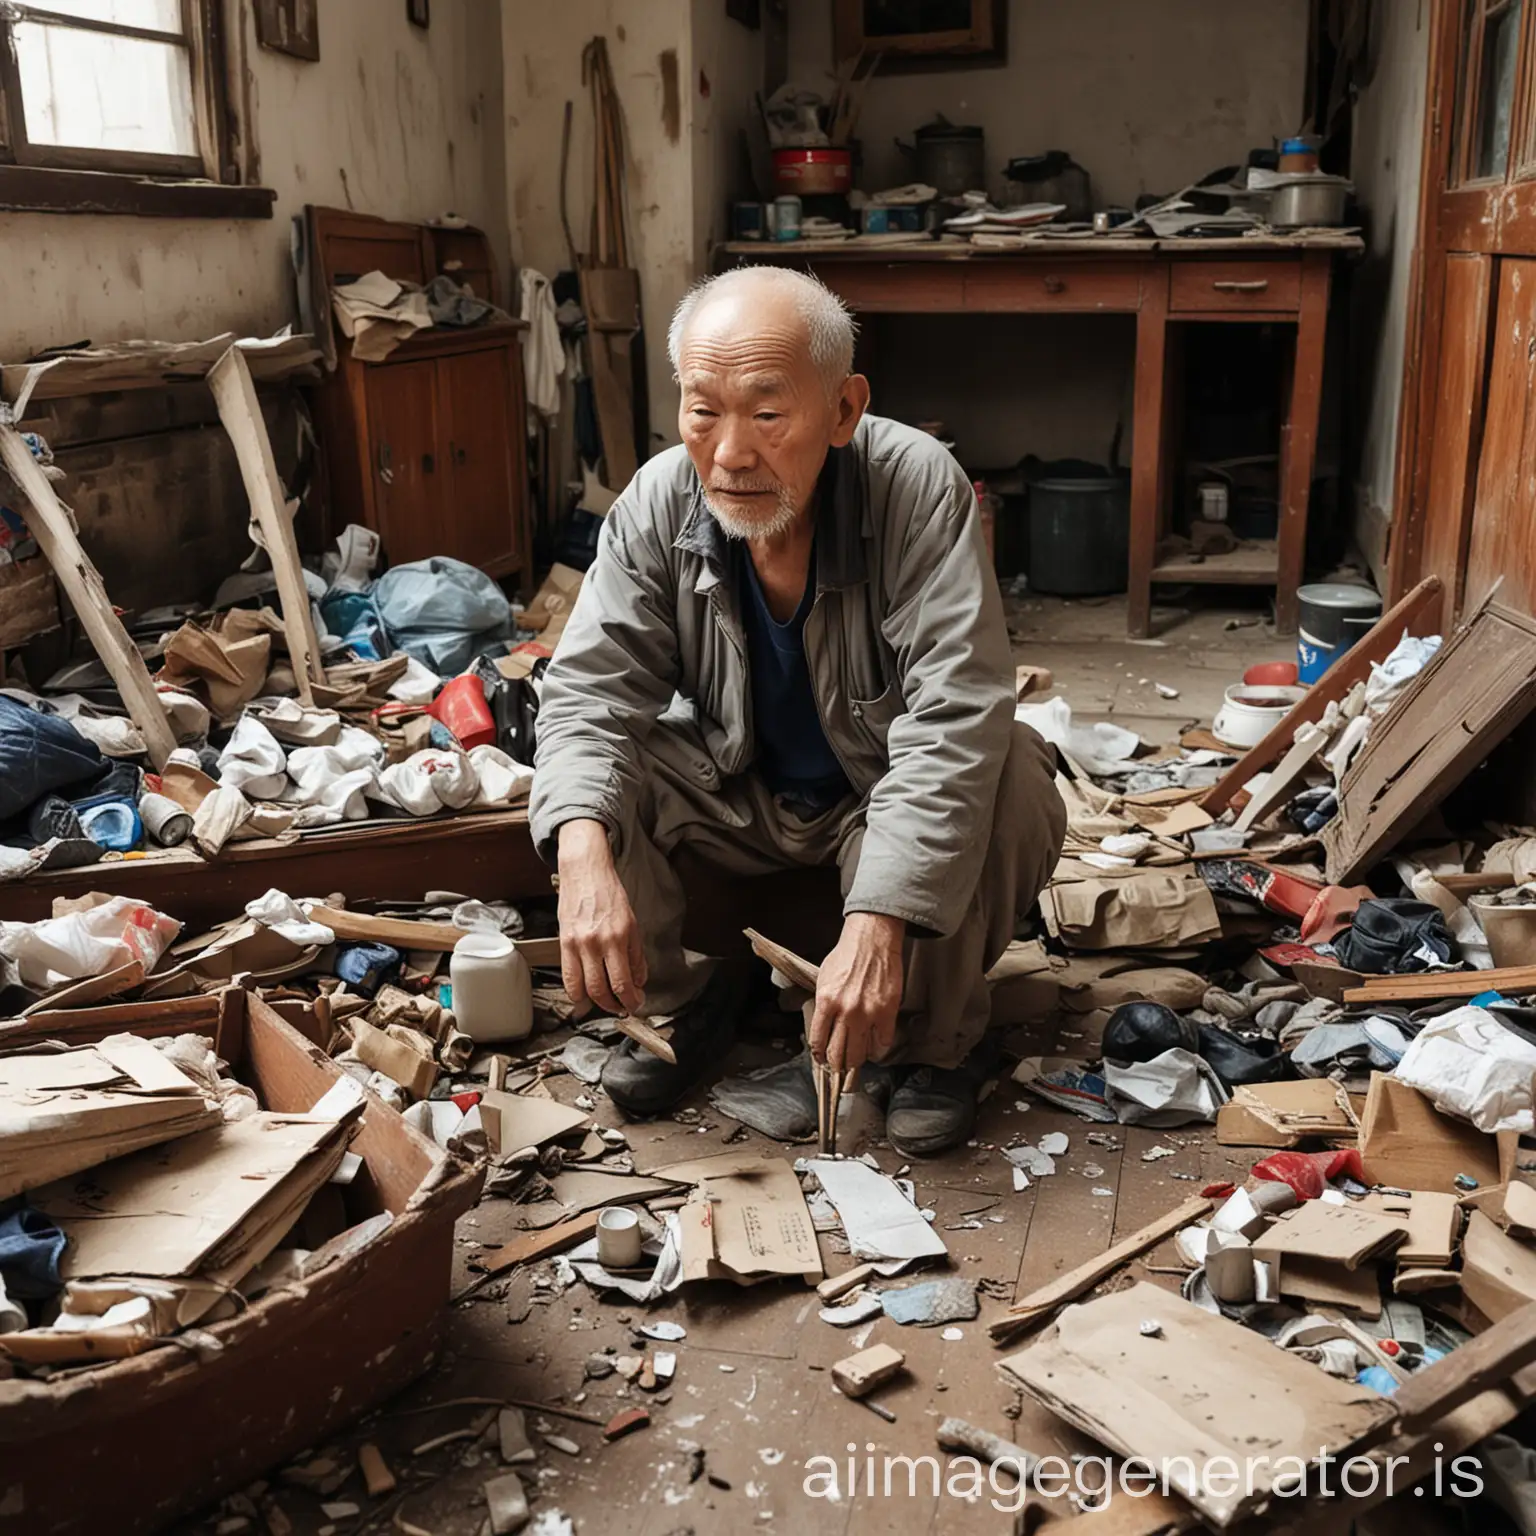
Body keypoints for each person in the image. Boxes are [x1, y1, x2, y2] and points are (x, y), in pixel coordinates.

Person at [529, 265, 1065, 1156]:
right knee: (591, 787)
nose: (731, 451)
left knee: (1006, 762)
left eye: (769, 414)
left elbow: (951, 721)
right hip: (738, 795)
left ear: (845, 411)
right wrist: (580, 852)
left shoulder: (917, 489)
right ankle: (690, 1001)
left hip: (871, 801)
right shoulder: (660, 501)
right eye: (704, 410)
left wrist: (881, 918)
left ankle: (933, 1047)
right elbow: (589, 694)